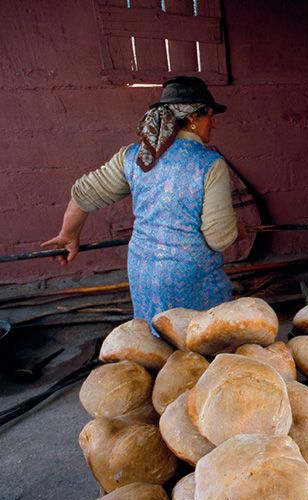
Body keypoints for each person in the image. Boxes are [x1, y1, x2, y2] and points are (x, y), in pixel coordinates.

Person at [42, 76, 238, 326]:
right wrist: (236, 231)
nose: (213, 124)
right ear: (191, 118)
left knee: (154, 342)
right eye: (210, 115)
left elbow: (84, 194)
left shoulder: (134, 156)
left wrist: (69, 233)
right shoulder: (210, 164)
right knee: (201, 342)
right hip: (191, 277)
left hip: (143, 270)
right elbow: (219, 238)